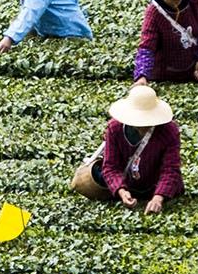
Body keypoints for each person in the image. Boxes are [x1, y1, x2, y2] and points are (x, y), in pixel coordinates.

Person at [71, 83, 182, 213]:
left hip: (153, 183)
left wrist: (158, 198)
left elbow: (170, 169)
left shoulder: (169, 131)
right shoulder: (115, 128)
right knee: (98, 172)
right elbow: (111, 166)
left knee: (171, 183)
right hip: (127, 179)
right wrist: (122, 191)